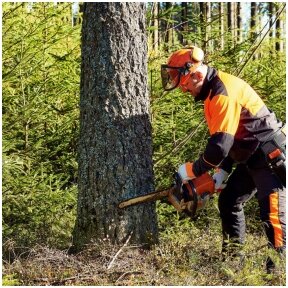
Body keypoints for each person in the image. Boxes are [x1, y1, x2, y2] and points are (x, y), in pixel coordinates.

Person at [161, 46, 286, 272]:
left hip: (269, 156)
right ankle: (231, 263)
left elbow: (219, 147)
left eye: (185, 84)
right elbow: (231, 136)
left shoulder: (222, 93)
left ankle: (276, 275)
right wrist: (223, 171)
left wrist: (193, 170)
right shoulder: (211, 94)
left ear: (197, 75)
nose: (184, 90)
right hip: (251, 156)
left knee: (274, 217)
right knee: (229, 200)